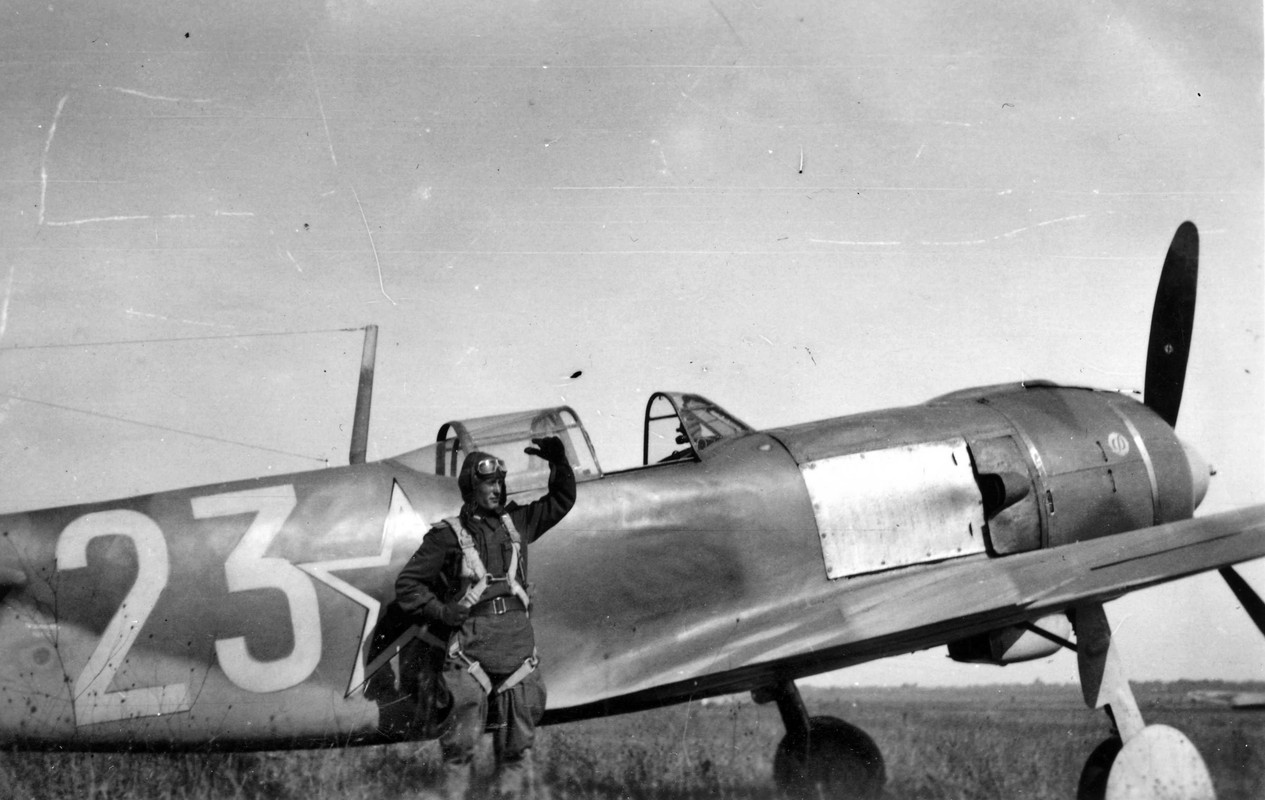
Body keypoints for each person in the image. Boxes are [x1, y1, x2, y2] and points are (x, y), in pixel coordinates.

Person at [395, 435, 575, 800]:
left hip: (517, 653)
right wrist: (443, 611)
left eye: (499, 483)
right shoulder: (445, 537)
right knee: (459, 752)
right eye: (489, 483)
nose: (497, 489)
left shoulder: (519, 522)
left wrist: (560, 463)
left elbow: (561, 499)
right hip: (470, 652)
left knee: (517, 751)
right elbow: (408, 585)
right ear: (470, 487)